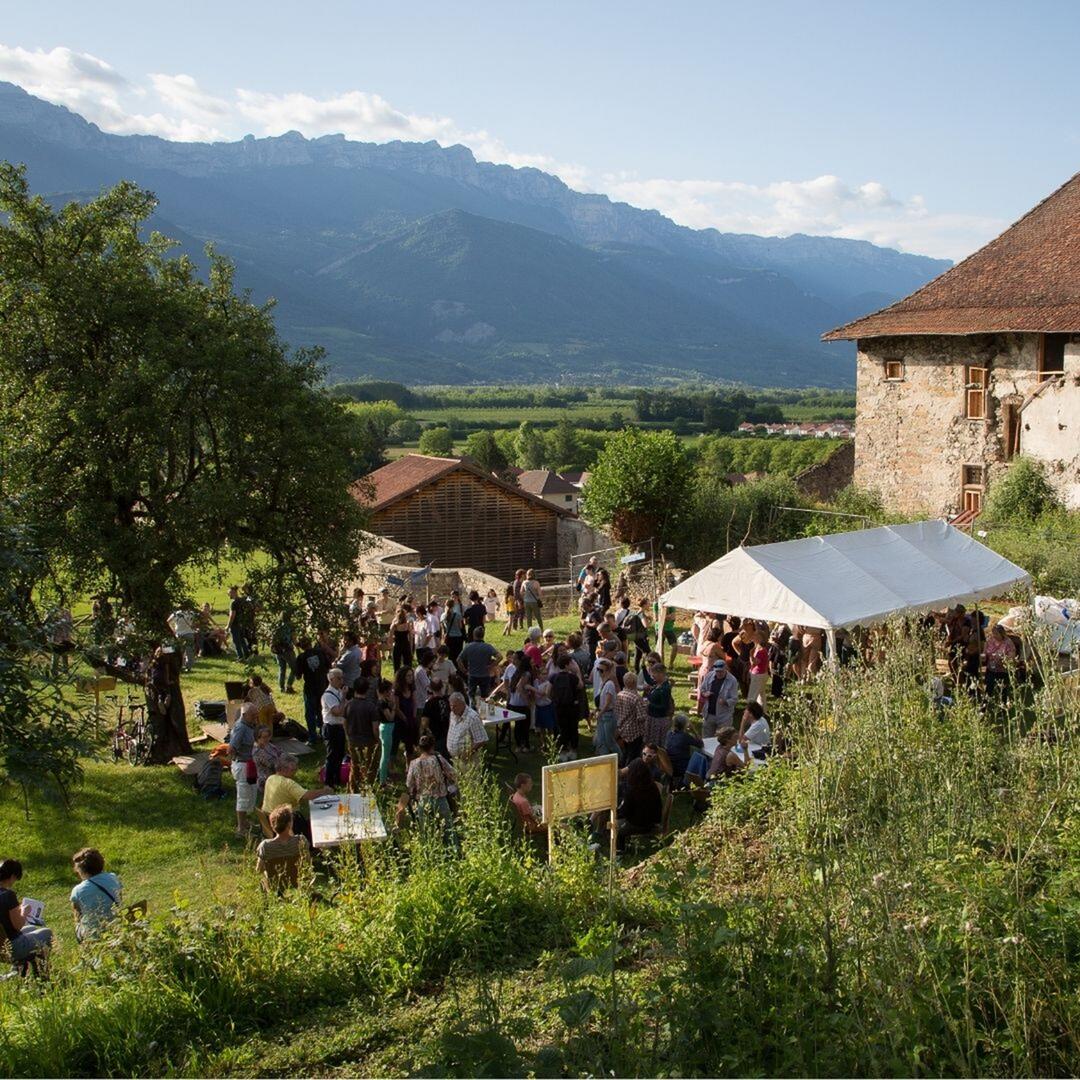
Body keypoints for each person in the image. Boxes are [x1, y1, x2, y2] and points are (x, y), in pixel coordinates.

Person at [262, 754, 330, 843]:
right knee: (314, 821)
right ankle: (313, 846)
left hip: (268, 818)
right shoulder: (288, 783)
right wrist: (324, 791)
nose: (295, 772)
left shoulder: (271, 778)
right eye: (293, 770)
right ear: (283, 769)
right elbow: (307, 795)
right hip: (284, 821)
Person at [0, 859, 53, 969]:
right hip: (11, 947)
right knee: (47, 933)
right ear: (12, 876)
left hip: (2, 942)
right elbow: (18, 925)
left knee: (30, 928)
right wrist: (24, 911)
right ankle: (40, 971)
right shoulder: (8, 895)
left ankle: (21, 970)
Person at [405, 734, 457, 841]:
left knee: (426, 830)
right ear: (432, 746)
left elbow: (409, 784)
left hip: (423, 800)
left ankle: (428, 853)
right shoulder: (438, 759)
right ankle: (454, 850)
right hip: (440, 798)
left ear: (419, 748)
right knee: (448, 827)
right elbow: (452, 773)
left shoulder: (414, 764)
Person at [70, 848, 122, 942]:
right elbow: (119, 899)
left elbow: (77, 916)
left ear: (81, 870)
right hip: (117, 926)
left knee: (78, 924)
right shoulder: (113, 877)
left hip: (93, 934)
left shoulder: (77, 891)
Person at [615, 758, 662, 850]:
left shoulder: (632, 790)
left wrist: (618, 810)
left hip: (639, 824)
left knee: (617, 828)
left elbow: (625, 812)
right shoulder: (653, 787)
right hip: (651, 822)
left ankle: (619, 851)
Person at [255, 806, 309, 884]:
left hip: (274, 884)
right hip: (297, 882)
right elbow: (307, 863)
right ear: (289, 824)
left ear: (272, 826)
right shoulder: (301, 841)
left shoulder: (265, 846)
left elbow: (259, 870)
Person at [228, 703, 259, 837]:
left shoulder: (249, 725)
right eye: (253, 715)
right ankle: (241, 829)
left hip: (249, 765)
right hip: (242, 765)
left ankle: (245, 822)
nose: (256, 717)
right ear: (244, 715)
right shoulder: (240, 728)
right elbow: (231, 749)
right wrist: (239, 759)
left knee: (250, 794)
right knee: (243, 797)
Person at [293, 636, 330, 746]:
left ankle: (313, 737)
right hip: (323, 685)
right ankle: (324, 734)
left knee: (310, 713)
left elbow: (298, 675)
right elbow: (328, 666)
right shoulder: (320, 652)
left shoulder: (301, 657)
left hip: (310, 688)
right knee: (322, 710)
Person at [549, 652, 581, 759]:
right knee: (573, 727)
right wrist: (577, 672)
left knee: (561, 728)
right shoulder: (573, 677)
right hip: (572, 706)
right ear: (567, 665)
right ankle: (573, 750)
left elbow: (549, 691)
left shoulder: (554, 677)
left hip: (559, 706)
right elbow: (580, 685)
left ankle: (562, 750)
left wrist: (553, 700)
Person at [321, 668, 348, 790]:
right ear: (331, 679)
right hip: (331, 728)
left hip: (339, 727)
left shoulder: (338, 692)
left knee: (340, 754)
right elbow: (337, 711)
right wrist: (344, 698)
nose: (341, 680)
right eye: (339, 678)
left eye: (342, 678)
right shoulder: (328, 695)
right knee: (332, 755)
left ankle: (337, 779)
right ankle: (329, 781)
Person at [698, 658, 739, 737]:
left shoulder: (732, 680)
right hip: (709, 714)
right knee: (707, 739)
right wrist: (704, 693)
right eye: (717, 671)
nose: (719, 673)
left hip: (724, 716)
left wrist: (725, 702)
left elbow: (734, 699)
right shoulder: (709, 675)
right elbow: (702, 688)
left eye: (721, 671)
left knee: (722, 739)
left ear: (725, 669)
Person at [615, 671, 648, 764]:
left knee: (625, 752)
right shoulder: (636, 698)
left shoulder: (620, 694)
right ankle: (628, 774)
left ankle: (621, 768)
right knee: (633, 755)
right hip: (634, 732)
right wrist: (646, 707)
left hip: (622, 728)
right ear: (634, 683)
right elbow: (641, 717)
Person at [458, 626, 500, 700]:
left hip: (472, 675)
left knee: (471, 696)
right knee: (485, 697)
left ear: (474, 635)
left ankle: (473, 708)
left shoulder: (468, 647)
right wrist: (491, 666)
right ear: (483, 635)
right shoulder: (488, 647)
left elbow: (459, 660)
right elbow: (500, 657)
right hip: (485, 675)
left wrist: (464, 671)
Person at [663, 714, 703, 787]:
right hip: (680, 766)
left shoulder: (669, 733)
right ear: (685, 725)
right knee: (699, 755)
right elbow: (700, 744)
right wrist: (693, 730)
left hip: (669, 763)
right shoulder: (685, 736)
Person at [446, 691, 488, 759]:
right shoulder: (452, 714)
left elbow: (482, 740)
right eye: (451, 705)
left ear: (463, 704)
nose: (452, 708)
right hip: (454, 759)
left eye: (455, 706)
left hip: (468, 760)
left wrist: (468, 753)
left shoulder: (472, 718)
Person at [593, 658, 619, 756]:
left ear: (608, 671)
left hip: (608, 715)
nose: (599, 672)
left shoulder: (610, 684)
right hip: (602, 714)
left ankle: (620, 758)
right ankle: (604, 760)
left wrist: (600, 713)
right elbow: (601, 700)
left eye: (601, 670)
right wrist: (596, 710)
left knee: (610, 742)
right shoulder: (602, 682)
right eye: (598, 670)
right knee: (601, 741)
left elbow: (608, 703)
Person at [984, 623, 1017, 698]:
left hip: (1002, 670)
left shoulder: (1008, 643)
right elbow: (985, 651)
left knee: (1002, 690)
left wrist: (1002, 660)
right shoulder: (990, 640)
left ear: (1001, 633)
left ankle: (1003, 707)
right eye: (993, 633)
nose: (994, 635)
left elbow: (1012, 657)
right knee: (989, 688)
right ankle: (984, 706)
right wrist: (984, 656)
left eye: (996, 633)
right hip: (991, 668)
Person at [645, 663, 674, 746]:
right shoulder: (657, 684)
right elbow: (648, 679)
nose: (652, 676)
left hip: (659, 721)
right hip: (652, 718)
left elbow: (664, 707)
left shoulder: (665, 688)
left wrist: (649, 705)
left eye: (654, 674)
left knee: (656, 745)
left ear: (661, 674)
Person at [376, 679, 398, 784]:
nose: (392, 692)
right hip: (386, 728)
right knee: (385, 756)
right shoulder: (382, 703)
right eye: (390, 690)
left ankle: (382, 776)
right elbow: (389, 717)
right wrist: (394, 708)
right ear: (385, 692)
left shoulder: (384, 701)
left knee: (386, 755)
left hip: (387, 728)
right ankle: (382, 781)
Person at [251, 724, 283, 795]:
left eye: (268, 736)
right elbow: (271, 765)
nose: (267, 739)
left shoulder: (269, 745)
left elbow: (281, 753)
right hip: (266, 779)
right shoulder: (257, 751)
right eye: (264, 737)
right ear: (257, 738)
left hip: (276, 774)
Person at [270, 615, 297, 694]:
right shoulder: (291, 627)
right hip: (288, 650)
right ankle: (289, 686)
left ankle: (281, 688)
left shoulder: (277, 626)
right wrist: (298, 647)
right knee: (294, 668)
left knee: (282, 669)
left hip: (278, 650)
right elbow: (294, 639)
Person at [48, 604, 76, 676]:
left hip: (65, 637)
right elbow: (48, 626)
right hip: (56, 638)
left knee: (65, 654)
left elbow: (71, 624)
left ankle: (65, 670)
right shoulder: (52, 614)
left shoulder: (67, 613)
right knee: (56, 655)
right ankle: (54, 672)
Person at [167, 605, 197, 672]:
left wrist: (172, 630)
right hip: (189, 633)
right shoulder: (191, 613)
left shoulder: (175, 614)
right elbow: (194, 624)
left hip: (179, 634)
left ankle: (180, 666)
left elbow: (168, 621)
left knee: (180, 652)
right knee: (189, 652)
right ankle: (188, 667)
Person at [747, 629, 770, 708]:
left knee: (752, 696)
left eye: (754, 635)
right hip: (761, 674)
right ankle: (763, 711)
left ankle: (749, 713)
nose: (752, 637)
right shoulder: (758, 648)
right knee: (761, 695)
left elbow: (754, 663)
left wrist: (750, 654)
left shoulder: (761, 651)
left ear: (759, 638)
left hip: (758, 675)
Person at [225, 585, 249, 659]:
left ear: (234, 592)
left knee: (236, 641)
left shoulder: (233, 602)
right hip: (242, 623)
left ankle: (240, 656)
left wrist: (228, 625)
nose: (228, 594)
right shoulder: (242, 600)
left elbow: (232, 615)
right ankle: (246, 654)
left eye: (229, 593)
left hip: (235, 624)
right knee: (242, 640)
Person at [442, 591, 466, 662]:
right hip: (458, 636)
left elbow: (443, 628)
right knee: (458, 654)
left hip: (449, 637)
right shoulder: (457, 615)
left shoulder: (443, 616)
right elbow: (460, 627)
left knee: (450, 655)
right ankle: (458, 668)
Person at [390, 606, 414, 672]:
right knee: (408, 665)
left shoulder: (394, 625)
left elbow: (390, 638)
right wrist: (411, 648)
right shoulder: (408, 624)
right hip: (406, 645)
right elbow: (411, 638)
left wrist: (391, 648)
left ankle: (397, 679)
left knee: (396, 665)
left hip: (397, 645)